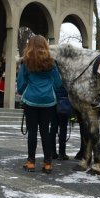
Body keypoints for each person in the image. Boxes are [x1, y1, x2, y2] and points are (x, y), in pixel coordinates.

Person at [17, 35, 62, 173]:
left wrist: (25, 90)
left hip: (31, 101)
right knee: (45, 133)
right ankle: (47, 163)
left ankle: (31, 162)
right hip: (48, 102)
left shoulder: (26, 62)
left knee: (32, 133)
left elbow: (21, 85)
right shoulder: (51, 62)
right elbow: (58, 83)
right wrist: (49, 89)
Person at [49, 85, 71, 159]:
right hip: (63, 103)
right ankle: (62, 153)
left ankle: (52, 152)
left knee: (53, 128)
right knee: (63, 129)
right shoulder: (64, 76)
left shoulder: (53, 75)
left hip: (53, 103)